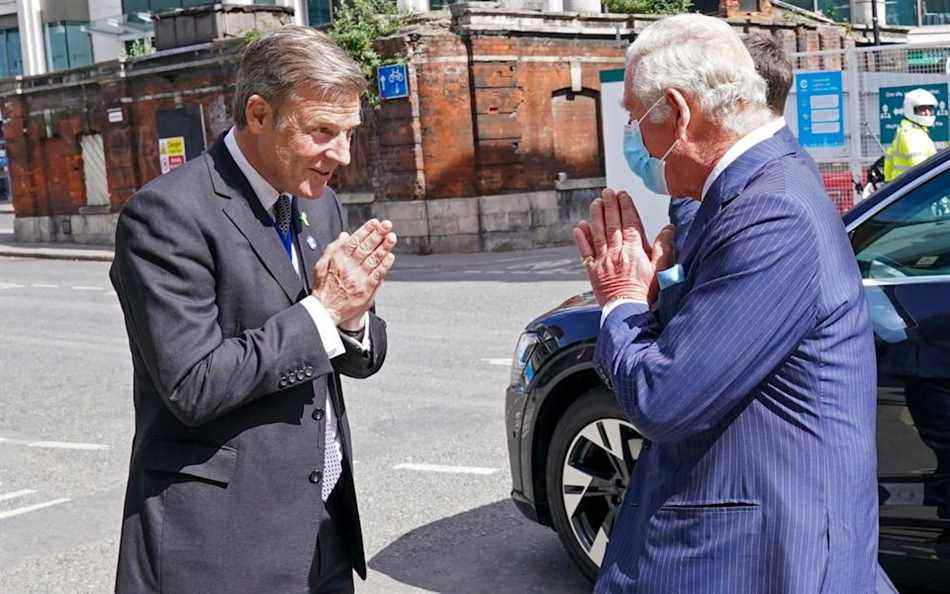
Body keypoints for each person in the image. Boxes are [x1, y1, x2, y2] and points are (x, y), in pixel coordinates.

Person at [573, 14, 884, 593]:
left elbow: (662, 397)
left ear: (680, 112)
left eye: (637, 122)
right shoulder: (753, 182)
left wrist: (619, 300)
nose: (637, 143)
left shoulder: (773, 214)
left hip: (761, 559)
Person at [111, 26, 394, 593]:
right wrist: (324, 311)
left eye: (349, 133)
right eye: (322, 132)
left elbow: (347, 352)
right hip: (220, 550)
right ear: (259, 114)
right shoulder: (166, 216)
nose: (342, 154)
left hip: (321, 537)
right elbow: (194, 383)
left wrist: (355, 318)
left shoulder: (320, 200)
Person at [884, 88, 938, 181]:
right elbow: (920, 166)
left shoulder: (913, 130)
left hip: (904, 185)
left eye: (929, 108)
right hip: (910, 185)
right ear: (911, 109)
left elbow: (889, 160)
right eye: (922, 109)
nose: (927, 112)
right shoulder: (910, 134)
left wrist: (888, 181)